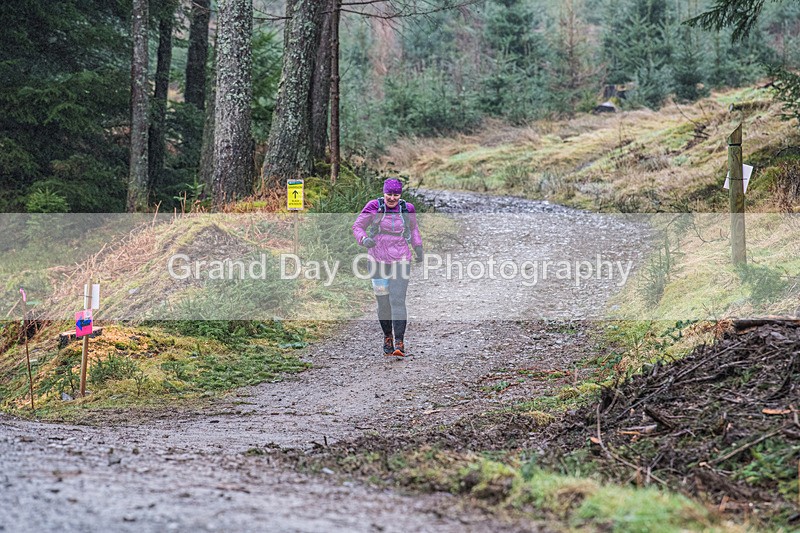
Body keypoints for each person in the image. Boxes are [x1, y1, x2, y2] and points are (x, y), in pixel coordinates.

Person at [352, 179, 423, 356]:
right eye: (389, 194)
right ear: (384, 193)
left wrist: (418, 247)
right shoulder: (374, 206)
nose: (392, 198)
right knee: (383, 302)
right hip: (377, 260)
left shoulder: (407, 209)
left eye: (396, 195)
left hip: (401, 259)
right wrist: (364, 239)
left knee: (397, 300)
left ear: (400, 195)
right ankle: (387, 337)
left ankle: (400, 342)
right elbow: (358, 226)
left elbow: (413, 229)